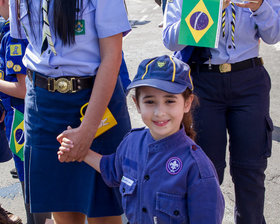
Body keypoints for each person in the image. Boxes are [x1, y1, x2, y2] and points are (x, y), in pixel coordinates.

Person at [58, 55, 225, 224]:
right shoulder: (131, 142)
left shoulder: (196, 167)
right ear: (137, 104)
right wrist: (79, 149)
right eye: (150, 101)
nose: (160, 112)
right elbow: (112, 168)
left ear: (187, 103)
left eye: (169, 101)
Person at [9, 0, 131, 223]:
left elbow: (112, 57)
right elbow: (29, 42)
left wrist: (88, 130)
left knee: (103, 210)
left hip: (95, 102)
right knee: (62, 206)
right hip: (43, 105)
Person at [163, 0, 280, 223]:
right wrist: (208, 9)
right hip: (203, 81)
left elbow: (274, 35)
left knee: (251, 169)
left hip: (249, 79)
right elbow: (170, 40)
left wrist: (259, 7)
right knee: (206, 170)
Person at [0, 1, 52, 223]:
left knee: (32, 186)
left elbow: (22, 89)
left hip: (22, 118)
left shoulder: (15, 36)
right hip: (27, 116)